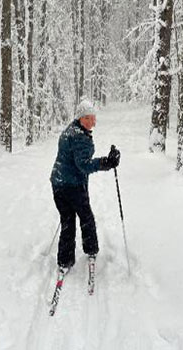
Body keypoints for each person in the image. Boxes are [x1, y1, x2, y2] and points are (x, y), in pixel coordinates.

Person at [50, 99, 120, 271]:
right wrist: (107, 162)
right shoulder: (80, 137)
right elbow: (84, 165)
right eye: (88, 118)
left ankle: (65, 260)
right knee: (86, 218)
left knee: (67, 220)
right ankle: (91, 249)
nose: (93, 122)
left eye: (93, 117)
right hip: (72, 186)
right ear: (80, 118)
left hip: (58, 183)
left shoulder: (70, 130)